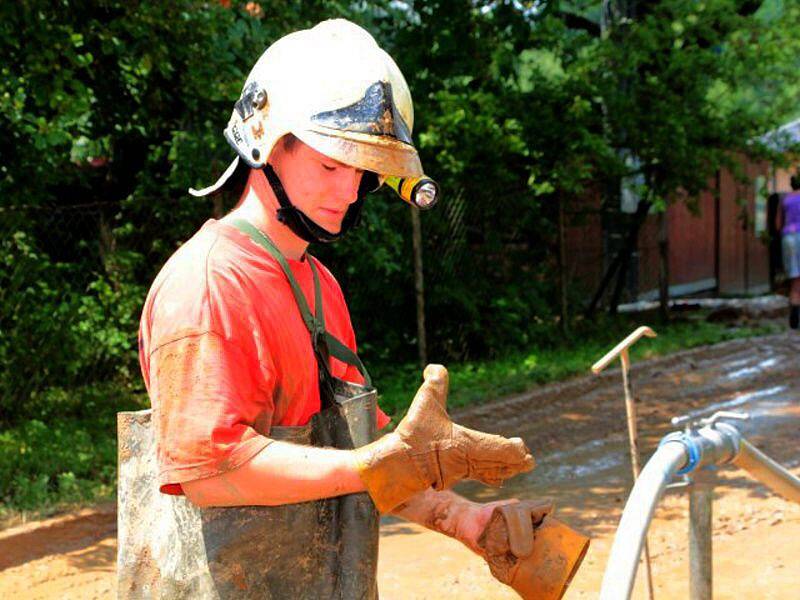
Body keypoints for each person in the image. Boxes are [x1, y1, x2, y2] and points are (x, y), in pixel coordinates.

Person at [128, 19, 588, 600]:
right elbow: (212, 471)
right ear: (265, 145)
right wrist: (383, 462)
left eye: (361, 171)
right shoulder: (210, 284)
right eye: (329, 166)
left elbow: (360, 457)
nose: (348, 192)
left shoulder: (319, 287)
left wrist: (464, 519)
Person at [777, 173, 800, 329]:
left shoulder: (784, 199)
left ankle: (794, 316)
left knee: (795, 279)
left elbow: (778, 225)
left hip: (788, 238)